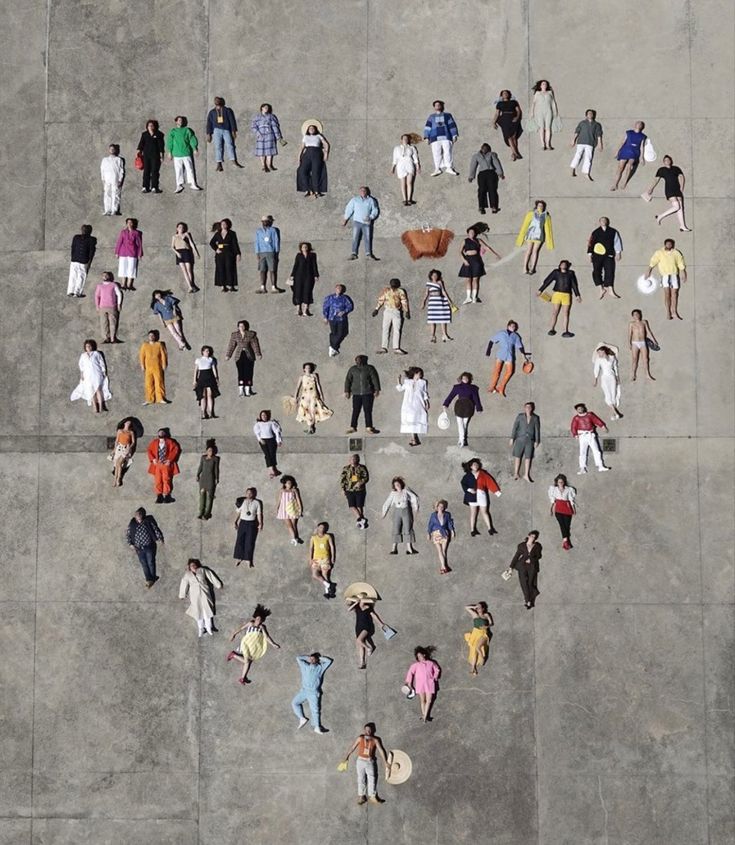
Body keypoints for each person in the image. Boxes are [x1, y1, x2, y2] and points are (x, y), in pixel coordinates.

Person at [227, 605, 280, 686]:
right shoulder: (250, 624)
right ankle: (234, 656)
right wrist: (233, 634)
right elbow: (241, 629)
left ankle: (243, 677)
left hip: (253, 646)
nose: (259, 621)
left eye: (261, 620)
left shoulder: (262, 627)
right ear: (255, 618)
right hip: (246, 644)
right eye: (258, 619)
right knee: (247, 661)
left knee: (249, 661)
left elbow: (266, 637)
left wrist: (273, 644)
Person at [341, 723, 391, 805]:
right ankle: (361, 796)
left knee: (372, 778)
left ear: (372, 731)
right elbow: (353, 747)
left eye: (369, 730)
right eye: (366, 730)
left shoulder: (375, 740)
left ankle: (372, 796)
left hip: (369, 761)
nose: (368, 731)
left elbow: (381, 750)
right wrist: (347, 756)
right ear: (364, 730)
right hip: (360, 761)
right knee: (361, 778)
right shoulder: (360, 738)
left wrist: (385, 762)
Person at [644, 155, 691, 231]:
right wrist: (651, 188)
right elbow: (656, 180)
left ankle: (682, 226)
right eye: (665, 160)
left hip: (677, 189)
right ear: (663, 162)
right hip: (669, 189)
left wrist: (682, 187)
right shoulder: (661, 170)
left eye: (668, 160)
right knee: (676, 206)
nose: (667, 161)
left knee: (680, 207)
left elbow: (681, 177)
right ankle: (660, 216)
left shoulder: (676, 168)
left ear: (671, 161)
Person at [178, 558, 223, 636]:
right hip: (195, 596)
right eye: (192, 565)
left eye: (195, 565)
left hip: (205, 594)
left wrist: (218, 585)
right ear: (189, 566)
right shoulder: (187, 575)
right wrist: (182, 594)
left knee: (207, 612)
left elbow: (211, 576)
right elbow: (184, 584)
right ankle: (201, 629)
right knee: (198, 613)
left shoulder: (202, 570)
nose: (193, 567)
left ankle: (209, 628)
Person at [485, 320, 530, 396]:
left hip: (509, 355)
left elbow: (520, 346)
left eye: (514, 326)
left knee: (509, 372)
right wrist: (488, 350)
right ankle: (492, 387)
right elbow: (492, 340)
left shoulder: (516, 336)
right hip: (500, 354)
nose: (513, 327)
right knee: (496, 371)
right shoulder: (501, 333)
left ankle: (501, 387)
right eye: (512, 326)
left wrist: (523, 355)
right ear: (508, 326)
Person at [459, 224, 500, 304]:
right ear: (468, 233)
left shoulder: (478, 240)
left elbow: (487, 247)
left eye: (473, 232)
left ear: (475, 234)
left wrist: (496, 254)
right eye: (470, 232)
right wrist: (464, 260)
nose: (472, 233)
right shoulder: (464, 241)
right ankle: (468, 297)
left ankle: (474, 297)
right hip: (467, 260)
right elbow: (460, 252)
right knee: (468, 279)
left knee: (475, 279)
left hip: (476, 260)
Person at [537, 260, 581, 336]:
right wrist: (540, 290)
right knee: (555, 312)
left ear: (567, 266)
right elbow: (548, 281)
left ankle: (565, 331)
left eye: (565, 264)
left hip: (567, 295)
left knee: (566, 313)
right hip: (557, 294)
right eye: (562, 264)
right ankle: (552, 329)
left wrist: (577, 295)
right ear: (560, 265)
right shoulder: (556, 272)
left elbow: (574, 284)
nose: (563, 265)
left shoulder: (570, 273)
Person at [292, 653, 333, 734]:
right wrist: (308, 658)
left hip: (313, 692)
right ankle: (302, 718)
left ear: (317, 660)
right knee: (294, 703)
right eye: (311, 659)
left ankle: (317, 727)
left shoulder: (320, 667)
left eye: (313, 659)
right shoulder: (304, 666)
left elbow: (329, 661)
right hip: (304, 691)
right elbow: (298, 657)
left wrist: (319, 658)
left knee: (315, 710)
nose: (311, 660)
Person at [647, 238, 687, 320]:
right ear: (665, 244)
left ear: (673, 245)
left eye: (671, 244)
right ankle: (668, 312)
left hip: (674, 275)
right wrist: (649, 270)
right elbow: (653, 261)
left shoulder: (676, 252)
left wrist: (684, 272)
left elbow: (680, 262)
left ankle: (674, 312)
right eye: (668, 244)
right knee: (667, 294)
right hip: (665, 275)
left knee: (675, 294)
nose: (669, 245)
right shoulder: (659, 252)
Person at [460, 458, 500, 535]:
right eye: (474, 464)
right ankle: (472, 530)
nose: (476, 466)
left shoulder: (483, 474)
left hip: (482, 495)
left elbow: (489, 482)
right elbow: (463, 483)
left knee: (484, 512)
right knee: (473, 513)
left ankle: (490, 528)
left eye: (477, 464)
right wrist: (469, 489)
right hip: (472, 496)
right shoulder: (467, 475)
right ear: (471, 466)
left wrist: (496, 491)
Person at [126, 507, 164, 588]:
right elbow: (128, 534)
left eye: (140, 514)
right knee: (144, 564)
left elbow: (155, 529)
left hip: (149, 546)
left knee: (150, 562)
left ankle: (153, 578)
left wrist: (160, 538)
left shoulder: (148, 522)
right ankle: (149, 579)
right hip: (138, 548)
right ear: (135, 516)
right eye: (137, 514)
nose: (138, 516)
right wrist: (130, 544)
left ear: (143, 515)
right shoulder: (132, 524)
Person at [442, 372, 483, 447]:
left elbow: (476, 399)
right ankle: (462, 439)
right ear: (461, 379)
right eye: (464, 378)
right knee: (459, 423)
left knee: (464, 424)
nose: (465, 380)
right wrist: (445, 404)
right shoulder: (457, 387)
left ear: (469, 379)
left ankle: (461, 440)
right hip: (459, 406)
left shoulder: (473, 388)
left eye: (467, 378)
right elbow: (451, 396)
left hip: (468, 406)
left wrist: (478, 408)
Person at [346, 595, 387, 670]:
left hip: (366, 627)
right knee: (360, 644)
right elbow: (348, 610)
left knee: (358, 640)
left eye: (362, 600)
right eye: (361, 601)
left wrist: (381, 624)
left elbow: (374, 616)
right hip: (358, 628)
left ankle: (369, 648)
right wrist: (355, 603)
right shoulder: (357, 607)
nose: (362, 602)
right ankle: (362, 663)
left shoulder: (368, 608)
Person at [70, 339, 111, 413]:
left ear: (92, 347)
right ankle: (95, 407)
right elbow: (81, 365)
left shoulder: (97, 353)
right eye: (86, 346)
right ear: (85, 347)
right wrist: (82, 374)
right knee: (90, 390)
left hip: (96, 373)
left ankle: (101, 406)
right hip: (87, 375)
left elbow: (101, 363)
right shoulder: (83, 355)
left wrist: (103, 371)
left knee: (98, 390)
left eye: (89, 346)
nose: (88, 347)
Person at [382, 477, 419, 554]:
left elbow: (414, 498)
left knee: (408, 528)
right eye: (396, 485)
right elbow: (387, 502)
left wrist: (415, 508)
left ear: (401, 484)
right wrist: (384, 513)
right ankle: (394, 548)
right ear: (394, 486)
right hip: (397, 511)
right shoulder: (393, 493)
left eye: (398, 484)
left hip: (406, 511)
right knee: (396, 528)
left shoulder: (405, 491)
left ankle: (409, 548)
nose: (397, 486)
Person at [587, 217, 623, 298]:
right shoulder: (595, 232)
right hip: (597, 255)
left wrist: (618, 253)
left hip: (609, 254)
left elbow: (617, 242)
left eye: (605, 220)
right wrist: (590, 254)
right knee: (596, 271)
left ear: (607, 222)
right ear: (599, 222)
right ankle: (601, 288)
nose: (603, 221)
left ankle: (610, 289)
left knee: (610, 271)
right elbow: (591, 243)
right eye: (602, 220)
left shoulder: (613, 231)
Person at [344, 355, 381, 434]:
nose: (358, 361)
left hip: (368, 393)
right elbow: (348, 380)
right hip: (356, 393)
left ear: (364, 360)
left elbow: (375, 378)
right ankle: (353, 427)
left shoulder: (369, 368)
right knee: (355, 410)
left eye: (360, 360)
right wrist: (347, 391)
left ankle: (369, 427)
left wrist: (377, 389)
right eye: (357, 360)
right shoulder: (353, 369)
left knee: (367, 410)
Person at [206, 96, 244, 171]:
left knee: (230, 145)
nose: (216, 101)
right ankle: (219, 163)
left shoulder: (227, 110)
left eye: (218, 100)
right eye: (215, 100)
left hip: (226, 130)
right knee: (218, 146)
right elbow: (209, 123)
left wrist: (233, 131)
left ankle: (233, 160)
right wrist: (208, 134)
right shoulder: (212, 112)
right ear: (214, 102)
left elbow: (232, 120)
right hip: (216, 130)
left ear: (221, 101)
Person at [373, 278, 410, 354]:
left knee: (397, 329)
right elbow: (381, 300)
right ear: (390, 284)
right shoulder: (386, 290)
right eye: (392, 283)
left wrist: (406, 311)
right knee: (385, 329)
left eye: (395, 283)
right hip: (387, 311)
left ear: (398, 284)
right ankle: (384, 347)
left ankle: (396, 348)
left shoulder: (400, 291)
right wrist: (376, 309)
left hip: (396, 311)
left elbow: (404, 301)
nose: (393, 285)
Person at [516, 200, 554, 275]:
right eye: (539, 205)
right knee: (528, 251)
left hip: (539, 236)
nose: (540, 207)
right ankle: (524, 267)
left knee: (535, 251)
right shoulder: (531, 214)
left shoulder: (546, 216)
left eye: (542, 206)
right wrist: (521, 238)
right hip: (530, 234)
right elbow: (525, 225)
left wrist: (549, 243)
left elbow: (547, 229)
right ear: (536, 206)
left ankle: (532, 268)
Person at [225, 320, 261, 396]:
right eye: (240, 326)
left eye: (243, 326)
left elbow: (255, 345)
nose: (241, 327)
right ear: (238, 327)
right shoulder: (235, 335)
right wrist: (228, 355)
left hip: (249, 355)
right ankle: (241, 389)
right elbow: (232, 345)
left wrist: (258, 354)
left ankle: (248, 389)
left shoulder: (251, 334)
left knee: (249, 372)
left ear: (245, 327)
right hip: (239, 355)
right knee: (240, 372)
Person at [571, 403, 610, 474]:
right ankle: (582, 468)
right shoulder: (576, 418)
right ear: (576, 410)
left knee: (596, 451)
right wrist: (575, 434)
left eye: (581, 408)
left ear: (583, 408)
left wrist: (603, 426)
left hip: (590, 435)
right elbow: (573, 427)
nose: (580, 410)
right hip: (582, 436)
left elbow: (597, 420)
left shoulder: (590, 415)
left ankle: (600, 466)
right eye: (578, 409)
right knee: (582, 452)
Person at [294, 362, 332, 434]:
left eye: (309, 368)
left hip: (313, 395)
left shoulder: (314, 375)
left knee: (312, 410)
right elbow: (298, 387)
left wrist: (321, 395)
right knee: (305, 410)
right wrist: (295, 396)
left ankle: (311, 427)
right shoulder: (302, 377)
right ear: (304, 369)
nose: (308, 369)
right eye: (306, 368)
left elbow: (318, 385)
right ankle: (310, 426)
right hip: (305, 396)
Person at [404, 647, 441, 721]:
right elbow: (410, 673)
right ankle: (425, 716)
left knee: (429, 700)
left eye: (420, 656)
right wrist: (409, 683)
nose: (419, 658)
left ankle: (424, 716)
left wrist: (434, 678)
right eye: (418, 657)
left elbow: (437, 669)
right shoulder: (416, 665)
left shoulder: (431, 663)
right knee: (422, 700)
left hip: (429, 683)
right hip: (420, 684)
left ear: (424, 655)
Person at [166, 116, 202, 192]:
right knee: (178, 170)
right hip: (176, 154)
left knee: (190, 169)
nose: (180, 122)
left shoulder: (187, 130)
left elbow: (192, 139)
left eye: (181, 120)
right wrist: (169, 152)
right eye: (179, 120)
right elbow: (170, 142)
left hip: (186, 152)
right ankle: (179, 185)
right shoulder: (173, 131)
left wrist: (195, 149)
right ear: (176, 122)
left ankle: (193, 184)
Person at [423, 100, 459, 175]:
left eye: (439, 105)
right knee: (436, 153)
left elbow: (452, 125)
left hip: (446, 136)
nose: (438, 106)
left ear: (441, 106)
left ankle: (449, 167)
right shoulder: (431, 117)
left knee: (448, 152)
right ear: (434, 107)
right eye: (436, 105)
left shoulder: (447, 115)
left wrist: (454, 134)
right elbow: (428, 127)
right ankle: (437, 168)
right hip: (434, 137)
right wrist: (426, 137)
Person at [343, 187, 380, 260]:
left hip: (367, 222)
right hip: (357, 221)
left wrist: (371, 217)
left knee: (367, 238)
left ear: (367, 192)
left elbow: (375, 210)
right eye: (361, 191)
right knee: (355, 237)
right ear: (359, 192)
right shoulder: (355, 200)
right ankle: (354, 253)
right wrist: (345, 219)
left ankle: (368, 254)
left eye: (364, 190)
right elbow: (349, 209)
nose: (363, 192)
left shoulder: (371, 200)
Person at [396, 367, 429, 447]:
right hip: (408, 404)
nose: (420, 375)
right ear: (414, 374)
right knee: (410, 419)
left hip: (418, 403)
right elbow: (400, 389)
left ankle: (414, 438)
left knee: (417, 419)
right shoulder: (407, 382)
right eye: (418, 373)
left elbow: (424, 392)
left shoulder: (423, 382)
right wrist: (398, 380)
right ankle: (414, 438)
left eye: (420, 374)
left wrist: (427, 402)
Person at [509, 531, 542, 609]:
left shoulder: (537, 546)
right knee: (524, 583)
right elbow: (516, 556)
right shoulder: (521, 545)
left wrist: (532, 560)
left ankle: (533, 593)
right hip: (522, 566)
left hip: (532, 567)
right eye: (532, 536)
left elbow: (539, 556)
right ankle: (528, 601)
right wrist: (511, 567)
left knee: (530, 584)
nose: (533, 538)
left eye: (534, 537)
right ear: (529, 536)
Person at [146, 428, 181, 503]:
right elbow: (149, 450)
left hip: (166, 464)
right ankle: (159, 495)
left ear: (165, 434)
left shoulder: (170, 442)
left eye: (162, 433)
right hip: (157, 464)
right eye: (160, 432)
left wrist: (170, 459)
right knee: (157, 479)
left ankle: (167, 495)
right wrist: (153, 459)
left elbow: (176, 449)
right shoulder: (155, 442)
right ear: (158, 434)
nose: (161, 434)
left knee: (166, 479)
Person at [468, 143, 505, 213]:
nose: (485, 150)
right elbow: (473, 166)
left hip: (491, 173)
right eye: (483, 148)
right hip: (482, 174)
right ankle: (481, 206)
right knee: (481, 190)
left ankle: (494, 207)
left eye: (486, 148)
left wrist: (500, 173)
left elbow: (496, 163)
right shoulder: (476, 156)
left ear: (488, 149)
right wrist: (471, 176)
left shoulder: (492, 154)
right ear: (481, 148)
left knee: (492, 189)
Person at [610, 121, 647, 191]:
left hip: (634, 152)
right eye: (638, 123)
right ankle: (615, 184)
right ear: (635, 125)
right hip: (625, 151)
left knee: (629, 166)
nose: (639, 125)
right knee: (620, 167)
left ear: (642, 127)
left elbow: (642, 147)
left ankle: (624, 182)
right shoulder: (629, 132)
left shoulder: (642, 136)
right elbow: (622, 142)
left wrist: (641, 157)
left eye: (640, 124)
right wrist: (617, 151)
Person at [510, 402, 541, 482]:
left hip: (530, 440)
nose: (528, 408)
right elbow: (515, 427)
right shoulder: (520, 416)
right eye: (526, 407)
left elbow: (537, 430)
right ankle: (516, 473)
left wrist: (537, 440)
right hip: (520, 439)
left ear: (532, 408)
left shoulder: (535, 418)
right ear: (524, 408)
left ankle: (526, 474)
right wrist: (512, 438)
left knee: (528, 457)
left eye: (529, 407)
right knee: (517, 456)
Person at [297, 121, 329, 197]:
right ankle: (308, 189)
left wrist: (326, 154)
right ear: (307, 130)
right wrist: (299, 157)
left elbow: (326, 144)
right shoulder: (305, 136)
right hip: (307, 153)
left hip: (317, 153)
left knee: (316, 172)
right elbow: (302, 147)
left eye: (313, 128)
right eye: (310, 128)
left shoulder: (319, 136)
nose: (311, 129)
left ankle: (317, 191)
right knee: (302, 171)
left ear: (315, 129)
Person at [421, 268, 454, 342]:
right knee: (432, 320)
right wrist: (423, 301)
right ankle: (432, 336)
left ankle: (444, 335)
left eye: (436, 275)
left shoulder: (440, 282)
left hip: (440, 301)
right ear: (431, 276)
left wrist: (449, 301)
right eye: (433, 275)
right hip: (432, 302)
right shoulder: (428, 283)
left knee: (443, 318)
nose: (435, 276)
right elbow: (426, 293)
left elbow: (444, 291)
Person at [233, 488, 263, 567]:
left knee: (249, 541)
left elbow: (259, 514)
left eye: (251, 493)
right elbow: (238, 513)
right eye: (248, 493)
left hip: (251, 523)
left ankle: (248, 559)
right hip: (242, 522)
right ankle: (239, 557)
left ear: (254, 494)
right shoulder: (242, 501)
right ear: (245, 494)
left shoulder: (257, 503)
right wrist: (235, 521)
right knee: (240, 540)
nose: (249, 494)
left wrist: (260, 523)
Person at [570, 109, 603, 179]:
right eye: (588, 113)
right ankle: (573, 169)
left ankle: (586, 173)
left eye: (591, 114)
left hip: (590, 143)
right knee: (578, 155)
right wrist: (573, 140)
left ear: (593, 115)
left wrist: (600, 144)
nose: (590, 115)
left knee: (588, 158)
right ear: (586, 115)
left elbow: (599, 134)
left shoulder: (597, 124)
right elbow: (577, 131)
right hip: (581, 142)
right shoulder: (582, 123)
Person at [209, 218, 241, 292]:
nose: (223, 225)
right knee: (221, 269)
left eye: (224, 224)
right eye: (222, 224)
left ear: (228, 225)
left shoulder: (232, 233)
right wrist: (216, 249)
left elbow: (235, 244)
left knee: (230, 269)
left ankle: (231, 285)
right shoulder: (218, 234)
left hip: (229, 253)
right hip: (220, 254)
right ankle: (223, 286)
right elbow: (212, 243)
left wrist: (238, 253)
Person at [322, 283, 354, 357]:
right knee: (333, 333)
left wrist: (344, 311)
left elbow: (350, 306)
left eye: (340, 289)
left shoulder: (345, 298)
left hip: (341, 319)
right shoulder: (329, 298)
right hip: (332, 318)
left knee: (341, 333)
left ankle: (332, 347)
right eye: (338, 288)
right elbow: (325, 307)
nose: (339, 290)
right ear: (335, 289)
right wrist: (325, 317)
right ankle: (334, 349)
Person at [139, 330, 169, 406]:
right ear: (148, 337)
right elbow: (142, 356)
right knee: (148, 383)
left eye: (153, 336)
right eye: (150, 336)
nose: (151, 337)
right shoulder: (145, 345)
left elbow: (163, 355)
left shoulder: (159, 344)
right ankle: (149, 399)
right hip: (148, 368)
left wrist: (164, 364)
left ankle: (160, 398)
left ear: (155, 337)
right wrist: (142, 365)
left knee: (159, 382)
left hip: (157, 367)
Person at [289, 242, 319, 316]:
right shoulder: (299, 255)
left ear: (308, 248)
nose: (304, 248)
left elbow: (314, 265)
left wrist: (316, 275)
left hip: (309, 276)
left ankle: (306, 310)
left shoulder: (312, 255)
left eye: (306, 247)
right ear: (301, 248)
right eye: (303, 247)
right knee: (298, 291)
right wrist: (292, 275)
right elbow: (295, 265)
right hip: (299, 276)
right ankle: (298, 309)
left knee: (307, 291)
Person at [593, 344, 622, 419]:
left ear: (603, 351)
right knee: (607, 394)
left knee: (613, 394)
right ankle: (616, 412)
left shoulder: (612, 357)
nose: (598, 354)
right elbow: (596, 369)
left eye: (599, 352)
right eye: (598, 353)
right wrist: (596, 379)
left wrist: (617, 378)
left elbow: (615, 368)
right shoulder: (598, 359)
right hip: (604, 378)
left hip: (612, 377)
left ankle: (613, 414)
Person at [463, 602, 493, 675]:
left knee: (478, 647)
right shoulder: (475, 615)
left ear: (483, 608)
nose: (478, 609)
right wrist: (474, 607)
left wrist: (487, 626)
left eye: (479, 607)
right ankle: (473, 668)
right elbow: (466, 607)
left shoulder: (486, 615)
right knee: (473, 650)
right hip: (475, 633)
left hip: (483, 633)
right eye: (477, 608)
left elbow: (491, 623)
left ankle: (482, 658)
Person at [340, 454, 369, 528]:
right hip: (349, 490)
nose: (352, 460)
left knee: (359, 506)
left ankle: (360, 522)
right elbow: (342, 479)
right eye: (351, 459)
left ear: (357, 460)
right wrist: (343, 489)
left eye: (354, 459)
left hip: (359, 490)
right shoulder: (346, 468)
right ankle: (361, 519)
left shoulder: (362, 467)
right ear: (349, 460)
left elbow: (366, 477)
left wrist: (360, 482)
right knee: (352, 506)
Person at [251, 103, 282, 172]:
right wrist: (258, 134)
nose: (266, 108)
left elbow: (275, 127)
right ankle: (263, 165)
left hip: (270, 135)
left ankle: (269, 165)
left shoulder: (271, 116)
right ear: (261, 108)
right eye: (265, 107)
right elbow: (253, 126)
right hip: (260, 136)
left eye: (267, 108)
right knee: (261, 151)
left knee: (269, 151)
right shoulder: (257, 117)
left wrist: (278, 136)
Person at [254, 215, 282, 293]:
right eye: (264, 221)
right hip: (262, 252)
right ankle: (262, 287)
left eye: (267, 221)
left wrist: (276, 252)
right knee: (262, 270)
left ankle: (274, 286)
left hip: (271, 251)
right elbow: (257, 242)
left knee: (272, 269)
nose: (265, 222)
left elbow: (276, 241)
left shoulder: (273, 230)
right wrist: (257, 253)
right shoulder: (258, 231)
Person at [492, 90, 523, 160]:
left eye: (506, 93)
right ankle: (516, 153)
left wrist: (517, 117)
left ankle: (514, 153)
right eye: (503, 94)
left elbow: (518, 111)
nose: (505, 94)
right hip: (504, 120)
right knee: (508, 136)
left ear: (509, 95)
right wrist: (493, 122)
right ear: (501, 96)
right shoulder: (499, 103)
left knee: (514, 137)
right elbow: (497, 114)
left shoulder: (514, 102)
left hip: (513, 119)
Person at [67, 225, 97, 297]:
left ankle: (71, 291)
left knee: (73, 276)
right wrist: (89, 262)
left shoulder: (76, 237)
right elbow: (91, 252)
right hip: (82, 260)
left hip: (76, 259)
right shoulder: (91, 239)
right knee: (80, 276)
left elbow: (73, 248)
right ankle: (76, 292)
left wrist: (73, 257)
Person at [629, 310, 659, 381]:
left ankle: (647, 375)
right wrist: (629, 343)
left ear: (640, 315)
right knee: (634, 359)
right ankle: (633, 375)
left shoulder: (644, 322)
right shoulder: (631, 324)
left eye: (637, 314)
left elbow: (649, 331)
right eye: (634, 314)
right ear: (633, 316)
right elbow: (629, 334)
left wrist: (654, 340)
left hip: (643, 342)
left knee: (646, 359)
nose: (636, 316)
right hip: (635, 343)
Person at [548, 474, 576, 550]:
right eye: (559, 482)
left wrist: (573, 508)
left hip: (567, 508)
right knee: (562, 525)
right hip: (558, 509)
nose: (560, 483)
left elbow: (571, 500)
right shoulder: (554, 490)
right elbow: (553, 501)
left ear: (564, 482)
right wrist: (551, 509)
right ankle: (566, 541)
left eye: (562, 482)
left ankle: (566, 539)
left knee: (567, 526)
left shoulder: (568, 489)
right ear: (557, 482)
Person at [136, 119, 165, 193]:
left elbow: (161, 146)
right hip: (146, 155)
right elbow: (141, 144)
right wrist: (139, 153)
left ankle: (154, 187)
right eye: (149, 125)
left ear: (155, 126)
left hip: (155, 156)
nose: (150, 127)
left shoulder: (159, 134)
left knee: (154, 171)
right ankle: (145, 187)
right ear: (147, 127)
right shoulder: (144, 134)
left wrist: (162, 155)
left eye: (152, 125)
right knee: (146, 171)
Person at [114, 218, 143, 291]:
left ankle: (129, 284)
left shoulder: (137, 233)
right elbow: (119, 242)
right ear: (126, 224)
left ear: (133, 224)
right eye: (128, 222)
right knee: (123, 268)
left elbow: (139, 244)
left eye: (131, 223)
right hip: (123, 252)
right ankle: (123, 284)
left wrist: (140, 253)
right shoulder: (123, 232)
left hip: (133, 252)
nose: (129, 224)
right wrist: (117, 252)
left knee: (132, 268)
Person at [94, 271, 123, 344]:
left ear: (109, 277)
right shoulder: (99, 286)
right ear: (102, 277)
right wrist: (97, 306)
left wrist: (119, 304)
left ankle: (113, 338)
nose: (105, 277)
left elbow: (119, 294)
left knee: (113, 322)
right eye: (104, 275)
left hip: (112, 306)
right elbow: (97, 296)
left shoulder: (113, 285)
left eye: (106, 275)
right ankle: (106, 338)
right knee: (104, 323)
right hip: (102, 307)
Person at [427, 501, 455, 574]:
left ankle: (443, 567)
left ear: (444, 507)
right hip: (436, 533)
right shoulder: (433, 515)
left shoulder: (447, 514)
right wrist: (428, 533)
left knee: (443, 551)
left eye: (442, 507)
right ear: (437, 507)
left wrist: (452, 531)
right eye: (439, 506)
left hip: (444, 533)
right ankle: (443, 566)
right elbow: (430, 524)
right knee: (439, 550)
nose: (440, 508)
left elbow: (449, 523)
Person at [391, 133, 420, 205]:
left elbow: (415, 158)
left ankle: (409, 199)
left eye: (407, 139)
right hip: (400, 165)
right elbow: (395, 159)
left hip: (409, 164)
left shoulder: (412, 148)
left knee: (409, 183)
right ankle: (405, 199)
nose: (405, 140)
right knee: (402, 183)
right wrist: (392, 168)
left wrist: (418, 166)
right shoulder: (396, 148)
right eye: (404, 138)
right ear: (401, 140)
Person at [171, 222, 200, 293]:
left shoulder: (186, 234)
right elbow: (172, 247)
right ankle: (190, 286)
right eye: (179, 227)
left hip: (186, 252)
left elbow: (191, 243)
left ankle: (191, 285)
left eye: (182, 227)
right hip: (179, 253)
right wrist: (177, 253)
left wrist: (196, 252)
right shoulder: (174, 236)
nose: (181, 228)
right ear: (177, 228)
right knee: (184, 271)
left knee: (189, 270)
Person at [530, 80, 559, 150]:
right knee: (541, 127)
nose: (544, 85)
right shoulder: (537, 93)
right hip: (539, 111)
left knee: (548, 128)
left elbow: (553, 102)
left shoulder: (550, 93)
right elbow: (534, 103)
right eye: (543, 84)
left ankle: (548, 144)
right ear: (540, 86)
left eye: (545, 84)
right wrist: (532, 112)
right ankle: (543, 144)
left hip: (548, 111)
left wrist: (555, 111)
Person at [309, 522, 336, 599]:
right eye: (320, 527)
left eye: (323, 528)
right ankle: (329, 585)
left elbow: (332, 547)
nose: (322, 529)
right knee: (315, 574)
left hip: (325, 558)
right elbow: (311, 548)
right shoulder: (313, 537)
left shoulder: (328, 536)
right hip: (316, 559)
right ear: (317, 528)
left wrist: (332, 557)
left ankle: (327, 592)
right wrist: (310, 559)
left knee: (325, 575)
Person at [253, 410, 282, 477]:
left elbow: (277, 432)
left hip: (271, 440)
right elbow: (257, 433)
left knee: (272, 454)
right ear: (260, 416)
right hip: (264, 440)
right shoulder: (258, 424)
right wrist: (260, 439)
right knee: (267, 454)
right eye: (262, 415)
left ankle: (275, 469)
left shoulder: (271, 423)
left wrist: (278, 441)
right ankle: (270, 470)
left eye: (265, 415)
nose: (264, 416)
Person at [276, 475, 303, 545]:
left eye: (290, 483)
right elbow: (279, 500)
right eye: (288, 483)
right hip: (284, 509)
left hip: (293, 509)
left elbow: (298, 500)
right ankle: (294, 538)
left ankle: (295, 538)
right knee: (289, 525)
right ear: (285, 484)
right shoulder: (282, 490)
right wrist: (277, 508)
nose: (289, 484)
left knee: (294, 524)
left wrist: (300, 509)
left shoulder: (295, 490)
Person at [193, 347, 220, 420]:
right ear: (202, 352)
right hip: (201, 378)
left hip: (210, 378)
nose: (208, 352)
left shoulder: (211, 359)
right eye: (206, 351)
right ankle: (203, 413)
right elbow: (196, 371)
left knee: (210, 395)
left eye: (209, 351)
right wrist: (194, 380)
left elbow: (214, 369)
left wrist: (216, 378)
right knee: (203, 396)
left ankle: (211, 412)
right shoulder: (198, 360)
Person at [196, 439, 219, 520]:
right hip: (203, 478)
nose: (211, 452)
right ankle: (201, 512)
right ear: (206, 451)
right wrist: (197, 474)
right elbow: (200, 467)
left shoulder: (215, 459)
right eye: (209, 451)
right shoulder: (203, 458)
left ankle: (207, 513)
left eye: (212, 451)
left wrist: (216, 478)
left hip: (210, 478)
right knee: (202, 496)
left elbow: (216, 469)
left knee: (209, 497)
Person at [100, 143, 125, 215]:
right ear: (109, 150)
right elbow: (102, 169)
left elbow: (121, 170)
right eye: (111, 149)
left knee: (115, 194)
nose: (112, 150)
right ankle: (107, 210)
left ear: (116, 150)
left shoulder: (119, 159)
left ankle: (114, 210)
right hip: (107, 179)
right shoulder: (105, 159)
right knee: (107, 194)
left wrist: (120, 179)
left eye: (113, 149)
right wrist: (103, 179)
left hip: (115, 178)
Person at [110, 418, 135, 487]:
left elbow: (133, 442)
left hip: (126, 449)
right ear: (124, 423)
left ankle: (118, 479)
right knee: (117, 464)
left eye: (129, 424)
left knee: (119, 463)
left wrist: (129, 448)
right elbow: (116, 441)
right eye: (127, 423)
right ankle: (115, 480)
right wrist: (114, 450)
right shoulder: (120, 431)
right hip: (119, 448)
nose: (128, 424)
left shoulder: (131, 432)